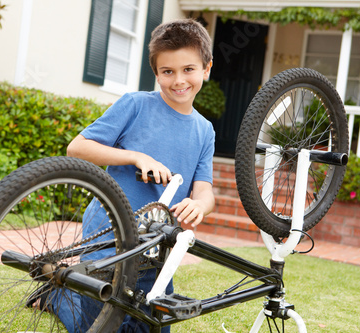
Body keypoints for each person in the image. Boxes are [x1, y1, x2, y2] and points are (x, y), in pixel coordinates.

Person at [32, 18, 216, 332]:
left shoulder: (204, 130)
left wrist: (199, 206)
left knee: (150, 326)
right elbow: (77, 147)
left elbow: (204, 191)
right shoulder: (135, 105)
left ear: (206, 69)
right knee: (98, 326)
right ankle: (57, 296)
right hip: (107, 239)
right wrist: (135, 156)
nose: (178, 80)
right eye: (167, 71)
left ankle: (63, 291)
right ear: (156, 73)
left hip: (156, 248)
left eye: (188, 69)